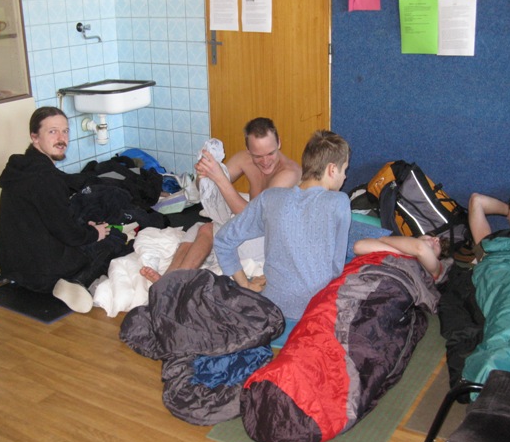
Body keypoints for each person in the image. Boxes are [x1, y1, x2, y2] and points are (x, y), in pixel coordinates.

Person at [214, 129, 352, 344]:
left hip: (272, 308)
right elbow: (336, 268)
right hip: (313, 310)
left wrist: (245, 285)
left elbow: (223, 240)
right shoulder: (340, 202)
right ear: (332, 169)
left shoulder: (270, 198)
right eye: (345, 170)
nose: (345, 177)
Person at [140, 117, 302, 282]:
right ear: (248, 150)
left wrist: (219, 177)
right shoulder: (244, 159)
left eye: (270, 153)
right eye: (258, 156)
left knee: (208, 230)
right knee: (197, 230)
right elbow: (206, 188)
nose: (266, 161)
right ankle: (167, 278)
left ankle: (174, 284)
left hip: (270, 239)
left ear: (279, 143)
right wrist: (203, 175)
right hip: (250, 229)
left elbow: (254, 219)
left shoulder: (288, 173)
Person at [0, 106, 124, 313]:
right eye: (52, 132)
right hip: (42, 273)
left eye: (65, 131)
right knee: (114, 240)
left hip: (13, 263)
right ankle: (74, 281)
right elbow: (69, 234)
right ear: (34, 137)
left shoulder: (21, 167)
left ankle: (19, 275)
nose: (61, 138)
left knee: (80, 223)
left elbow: (54, 206)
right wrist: (95, 233)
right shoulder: (46, 179)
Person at [353, 234, 450, 281]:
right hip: (360, 276)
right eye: (432, 236)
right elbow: (359, 247)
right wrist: (406, 252)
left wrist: (383, 239)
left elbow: (420, 248)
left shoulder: (436, 268)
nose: (436, 239)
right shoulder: (401, 247)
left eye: (440, 245)